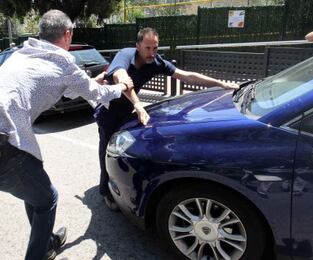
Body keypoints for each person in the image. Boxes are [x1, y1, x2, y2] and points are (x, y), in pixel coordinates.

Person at [0, 10, 132, 260]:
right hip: (1, 151)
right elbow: (96, 94)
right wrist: (120, 87)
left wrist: (90, 82)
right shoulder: (63, 61)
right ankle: (39, 254)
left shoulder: (24, 52)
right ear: (67, 33)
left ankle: (47, 240)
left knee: (34, 192)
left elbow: (68, 90)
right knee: (47, 198)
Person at [96, 27, 239, 210]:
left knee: (128, 147)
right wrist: (138, 104)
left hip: (127, 110)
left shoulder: (156, 62)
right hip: (109, 110)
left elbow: (186, 76)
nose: (152, 53)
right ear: (137, 45)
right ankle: (105, 191)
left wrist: (219, 83)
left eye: (155, 48)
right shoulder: (125, 54)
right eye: (147, 48)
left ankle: (124, 184)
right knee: (107, 148)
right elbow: (119, 76)